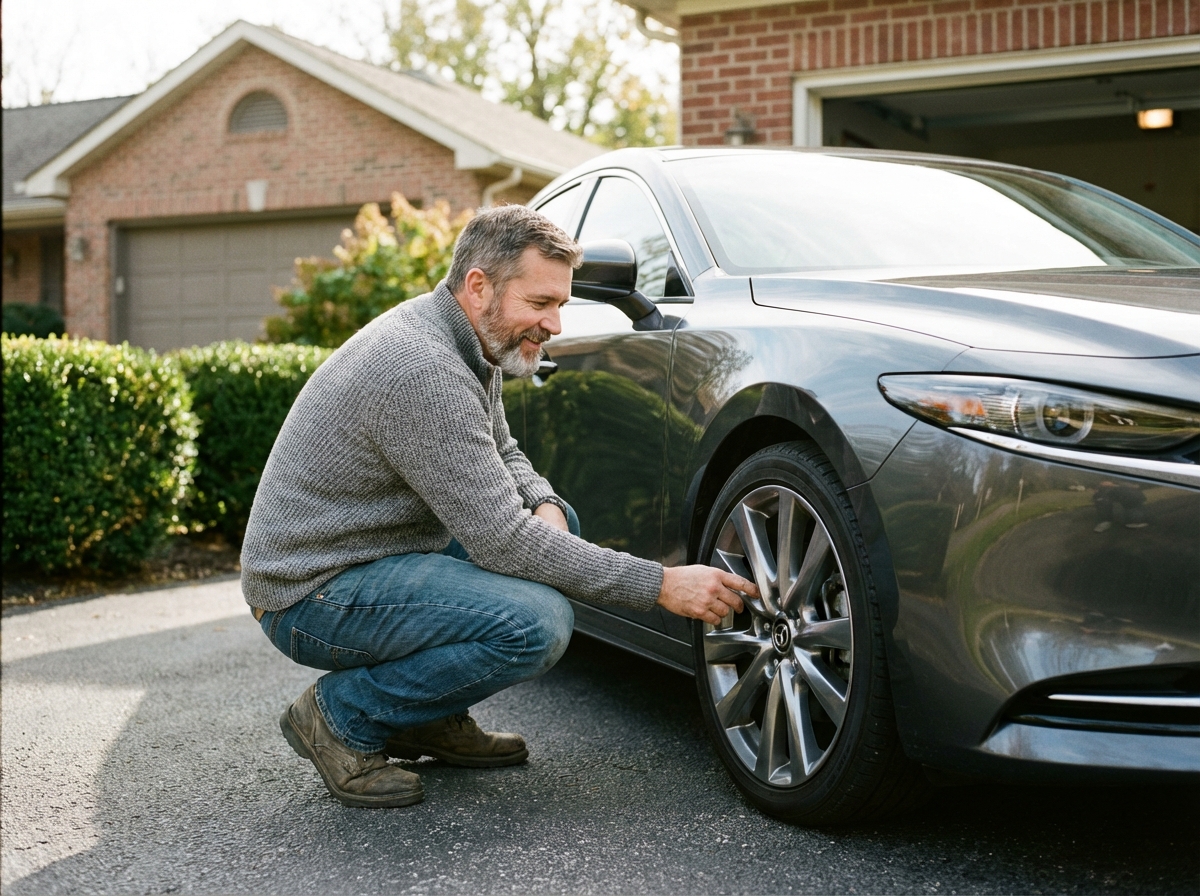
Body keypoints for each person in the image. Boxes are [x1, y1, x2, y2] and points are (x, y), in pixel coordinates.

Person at [241, 205, 757, 808]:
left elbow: (503, 450)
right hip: (309, 592)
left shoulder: (462, 337)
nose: (555, 324)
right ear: (479, 285)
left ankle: (423, 716)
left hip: (371, 552)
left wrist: (543, 501)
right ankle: (339, 718)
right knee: (535, 624)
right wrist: (661, 584)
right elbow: (503, 542)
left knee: (559, 530)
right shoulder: (422, 369)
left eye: (560, 304)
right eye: (540, 303)